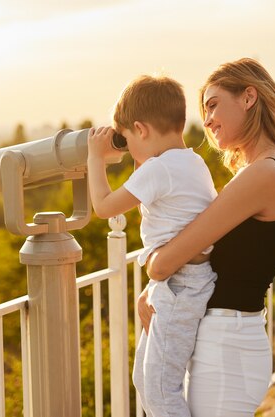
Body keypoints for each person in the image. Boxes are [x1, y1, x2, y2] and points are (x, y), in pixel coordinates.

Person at [141, 57, 275, 417]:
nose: (209, 119)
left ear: (249, 97)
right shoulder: (267, 170)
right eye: (204, 111)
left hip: (227, 348)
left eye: (213, 104)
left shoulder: (264, 174)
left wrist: (153, 267)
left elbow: (164, 263)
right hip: (225, 343)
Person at [86, 74, 218, 417]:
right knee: (144, 380)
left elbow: (102, 206)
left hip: (180, 284)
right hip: (179, 281)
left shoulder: (159, 170)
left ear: (141, 129)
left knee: (159, 390)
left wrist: (96, 157)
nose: (127, 146)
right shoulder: (193, 162)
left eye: (126, 138)